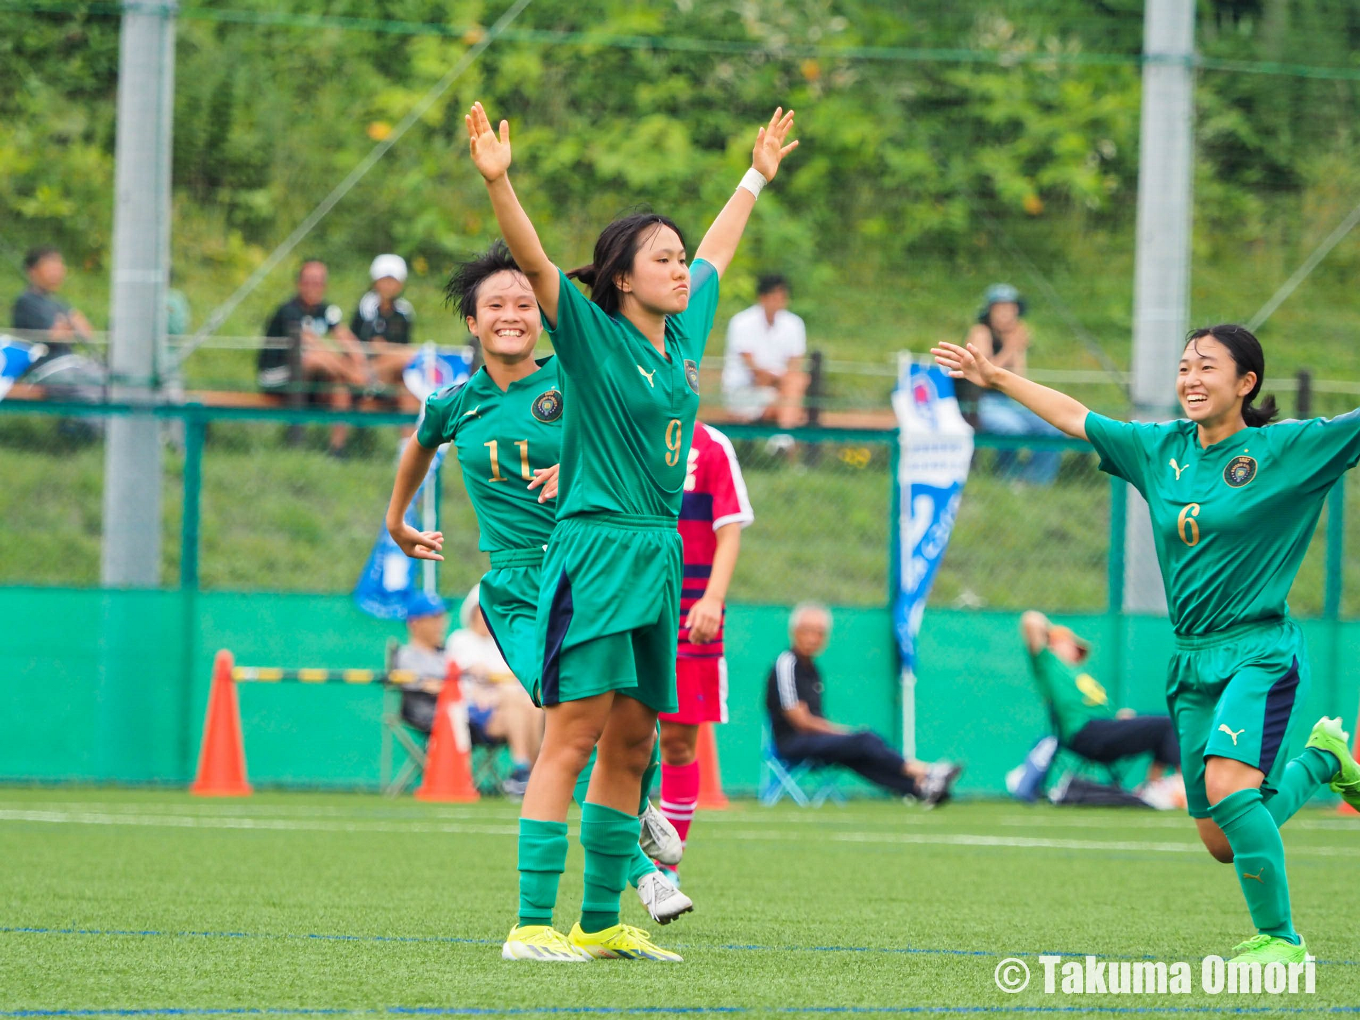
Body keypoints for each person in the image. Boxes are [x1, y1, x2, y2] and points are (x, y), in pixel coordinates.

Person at [466, 99, 797, 962]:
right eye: (663, 258)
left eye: (680, 257)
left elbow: (722, 249)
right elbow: (538, 265)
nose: (683, 268)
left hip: (659, 550)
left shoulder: (680, 332)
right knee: (574, 732)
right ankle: (531, 926)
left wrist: (755, 174)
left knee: (636, 735)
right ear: (621, 278)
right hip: (598, 545)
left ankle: (601, 921)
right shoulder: (590, 334)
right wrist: (501, 183)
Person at [933, 323, 1360, 965]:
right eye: (1185, 366)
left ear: (1246, 383)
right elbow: (1076, 417)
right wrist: (996, 378)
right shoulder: (1160, 449)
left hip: (1258, 650)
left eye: (1207, 367)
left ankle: (1281, 940)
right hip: (1189, 658)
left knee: (1227, 787)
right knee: (1222, 838)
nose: (1190, 378)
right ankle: (1322, 761)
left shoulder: (1289, 449)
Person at [383, 241, 691, 945]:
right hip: (522, 588)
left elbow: (628, 433)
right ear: (473, 321)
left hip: (590, 566)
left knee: (622, 724)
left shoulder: (576, 376)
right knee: (573, 724)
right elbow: (419, 446)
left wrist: (578, 474)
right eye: (496, 304)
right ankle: (628, 869)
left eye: (525, 302)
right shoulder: (456, 404)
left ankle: (612, 892)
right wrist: (397, 521)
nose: (513, 313)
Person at [655, 420, 753, 884]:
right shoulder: (613, 424)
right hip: (622, 605)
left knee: (677, 743)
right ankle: (618, 854)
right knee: (613, 738)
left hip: (689, 613)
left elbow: (729, 528)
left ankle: (666, 865)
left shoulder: (710, 444)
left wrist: (712, 598)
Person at [766, 603, 962, 806]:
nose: (813, 638)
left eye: (819, 633)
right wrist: (842, 733)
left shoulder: (813, 669)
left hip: (816, 740)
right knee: (863, 740)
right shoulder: (786, 663)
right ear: (794, 632)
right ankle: (926, 771)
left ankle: (919, 788)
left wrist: (842, 736)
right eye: (807, 631)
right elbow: (801, 721)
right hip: (791, 742)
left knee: (858, 754)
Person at [1020, 611, 1184, 808]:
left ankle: (1152, 789)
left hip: (1104, 728)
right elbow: (1031, 619)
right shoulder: (1047, 664)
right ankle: (1178, 784)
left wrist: (1119, 718)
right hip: (1085, 732)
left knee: (1165, 724)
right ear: (1055, 643)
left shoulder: (1078, 675)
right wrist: (1053, 633)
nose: (1075, 650)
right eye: (1071, 644)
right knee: (1164, 725)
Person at [258, 259, 368, 456]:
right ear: (298, 283)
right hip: (276, 376)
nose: (313, 287)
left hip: (307, 377)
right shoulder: (288, 310)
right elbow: (309, 342)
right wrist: (353, 372)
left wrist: (358, 360)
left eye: (318, 282)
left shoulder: (326, 310)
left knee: (339, 382)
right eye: (308, 281)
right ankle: (358, 380)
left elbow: (345, 338)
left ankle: (337, 450)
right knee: (313, 357)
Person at [446, 585, 544, 796]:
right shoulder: (460, 639)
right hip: (473, 713)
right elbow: (476, 671)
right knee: (515, 700)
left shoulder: (499, 644)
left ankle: (535, 773)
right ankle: (521, 770)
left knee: (531, 706)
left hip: (507, 708)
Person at [966, 284, 1063, 485]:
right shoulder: (981, 332)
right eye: (1000, 309)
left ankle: (1036, 481)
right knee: (1012, 428)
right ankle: (1006, 477)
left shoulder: (1014, 336)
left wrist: (1018, 350)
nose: (1005, 315)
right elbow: (986, 376)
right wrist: (1010, 348)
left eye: (1010, 309)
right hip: (981, 401)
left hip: (1009, 400)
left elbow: (1020, 379)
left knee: (1052, 426)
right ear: (990, 311)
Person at [10, 246, 106, 402]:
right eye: (50, 266)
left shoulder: (58, 302)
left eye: (60, 266)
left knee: (108, 380)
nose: (57, 272)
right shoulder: (26, 301)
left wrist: (69, 326)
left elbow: (86, 332)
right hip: (47, 370)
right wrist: (66, 328)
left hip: (71, 365)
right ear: (33, 271)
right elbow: (56, 336)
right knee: (91, 391)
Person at [720, 273, 809, 430]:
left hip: (779, 391)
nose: (779, 302)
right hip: (744, 392)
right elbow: (756, 374)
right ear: (762, 298)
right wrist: (782, 379)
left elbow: (795, 365)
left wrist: (782, 380)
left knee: (794, 386)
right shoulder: (742, 323)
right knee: (796, 408)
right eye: (774, 296)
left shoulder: (794, 324)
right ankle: (784, 440)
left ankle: (782, 440)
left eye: (782, 297)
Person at [352, 254, 420, 413]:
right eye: (385, 280)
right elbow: (374, 346)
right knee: (408, 356)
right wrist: (399, 353)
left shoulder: (405, 311)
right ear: (375, 281)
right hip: (366, 366)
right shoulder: (367, 305)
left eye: (393, 280)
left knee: (409, 395)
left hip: (395, 369)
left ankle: (407, 438)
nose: (388, 285)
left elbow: (404, 344)